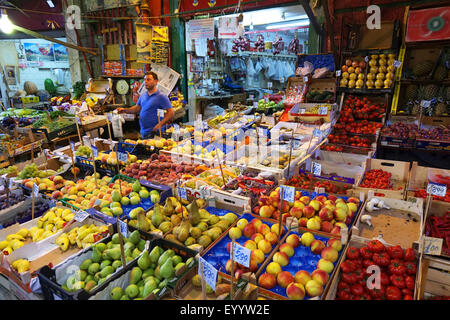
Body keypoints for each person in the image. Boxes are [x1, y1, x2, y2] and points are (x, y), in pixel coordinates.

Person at [117, 71, 174, 139]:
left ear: (156, 81)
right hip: (144, 132)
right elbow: (136, 109)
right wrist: (124, 110)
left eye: (148, 79)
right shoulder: (143, 96)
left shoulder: (161, 97)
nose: (145, 82)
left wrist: (160, 125)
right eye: (145, 80)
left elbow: (171, 112)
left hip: (156, 133)